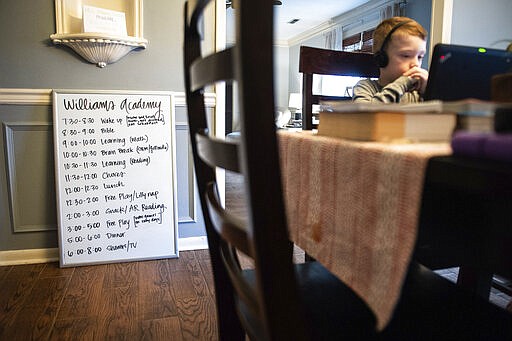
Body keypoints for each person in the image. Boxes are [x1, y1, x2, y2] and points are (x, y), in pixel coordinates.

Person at [352, 16, 428, 103]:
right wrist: (403, 83)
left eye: (420, 57)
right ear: (381, 59)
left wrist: (428, 92)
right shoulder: (365, 87)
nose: (416, 64)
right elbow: (369, 115)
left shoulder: (417, 93)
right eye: (406, 56)